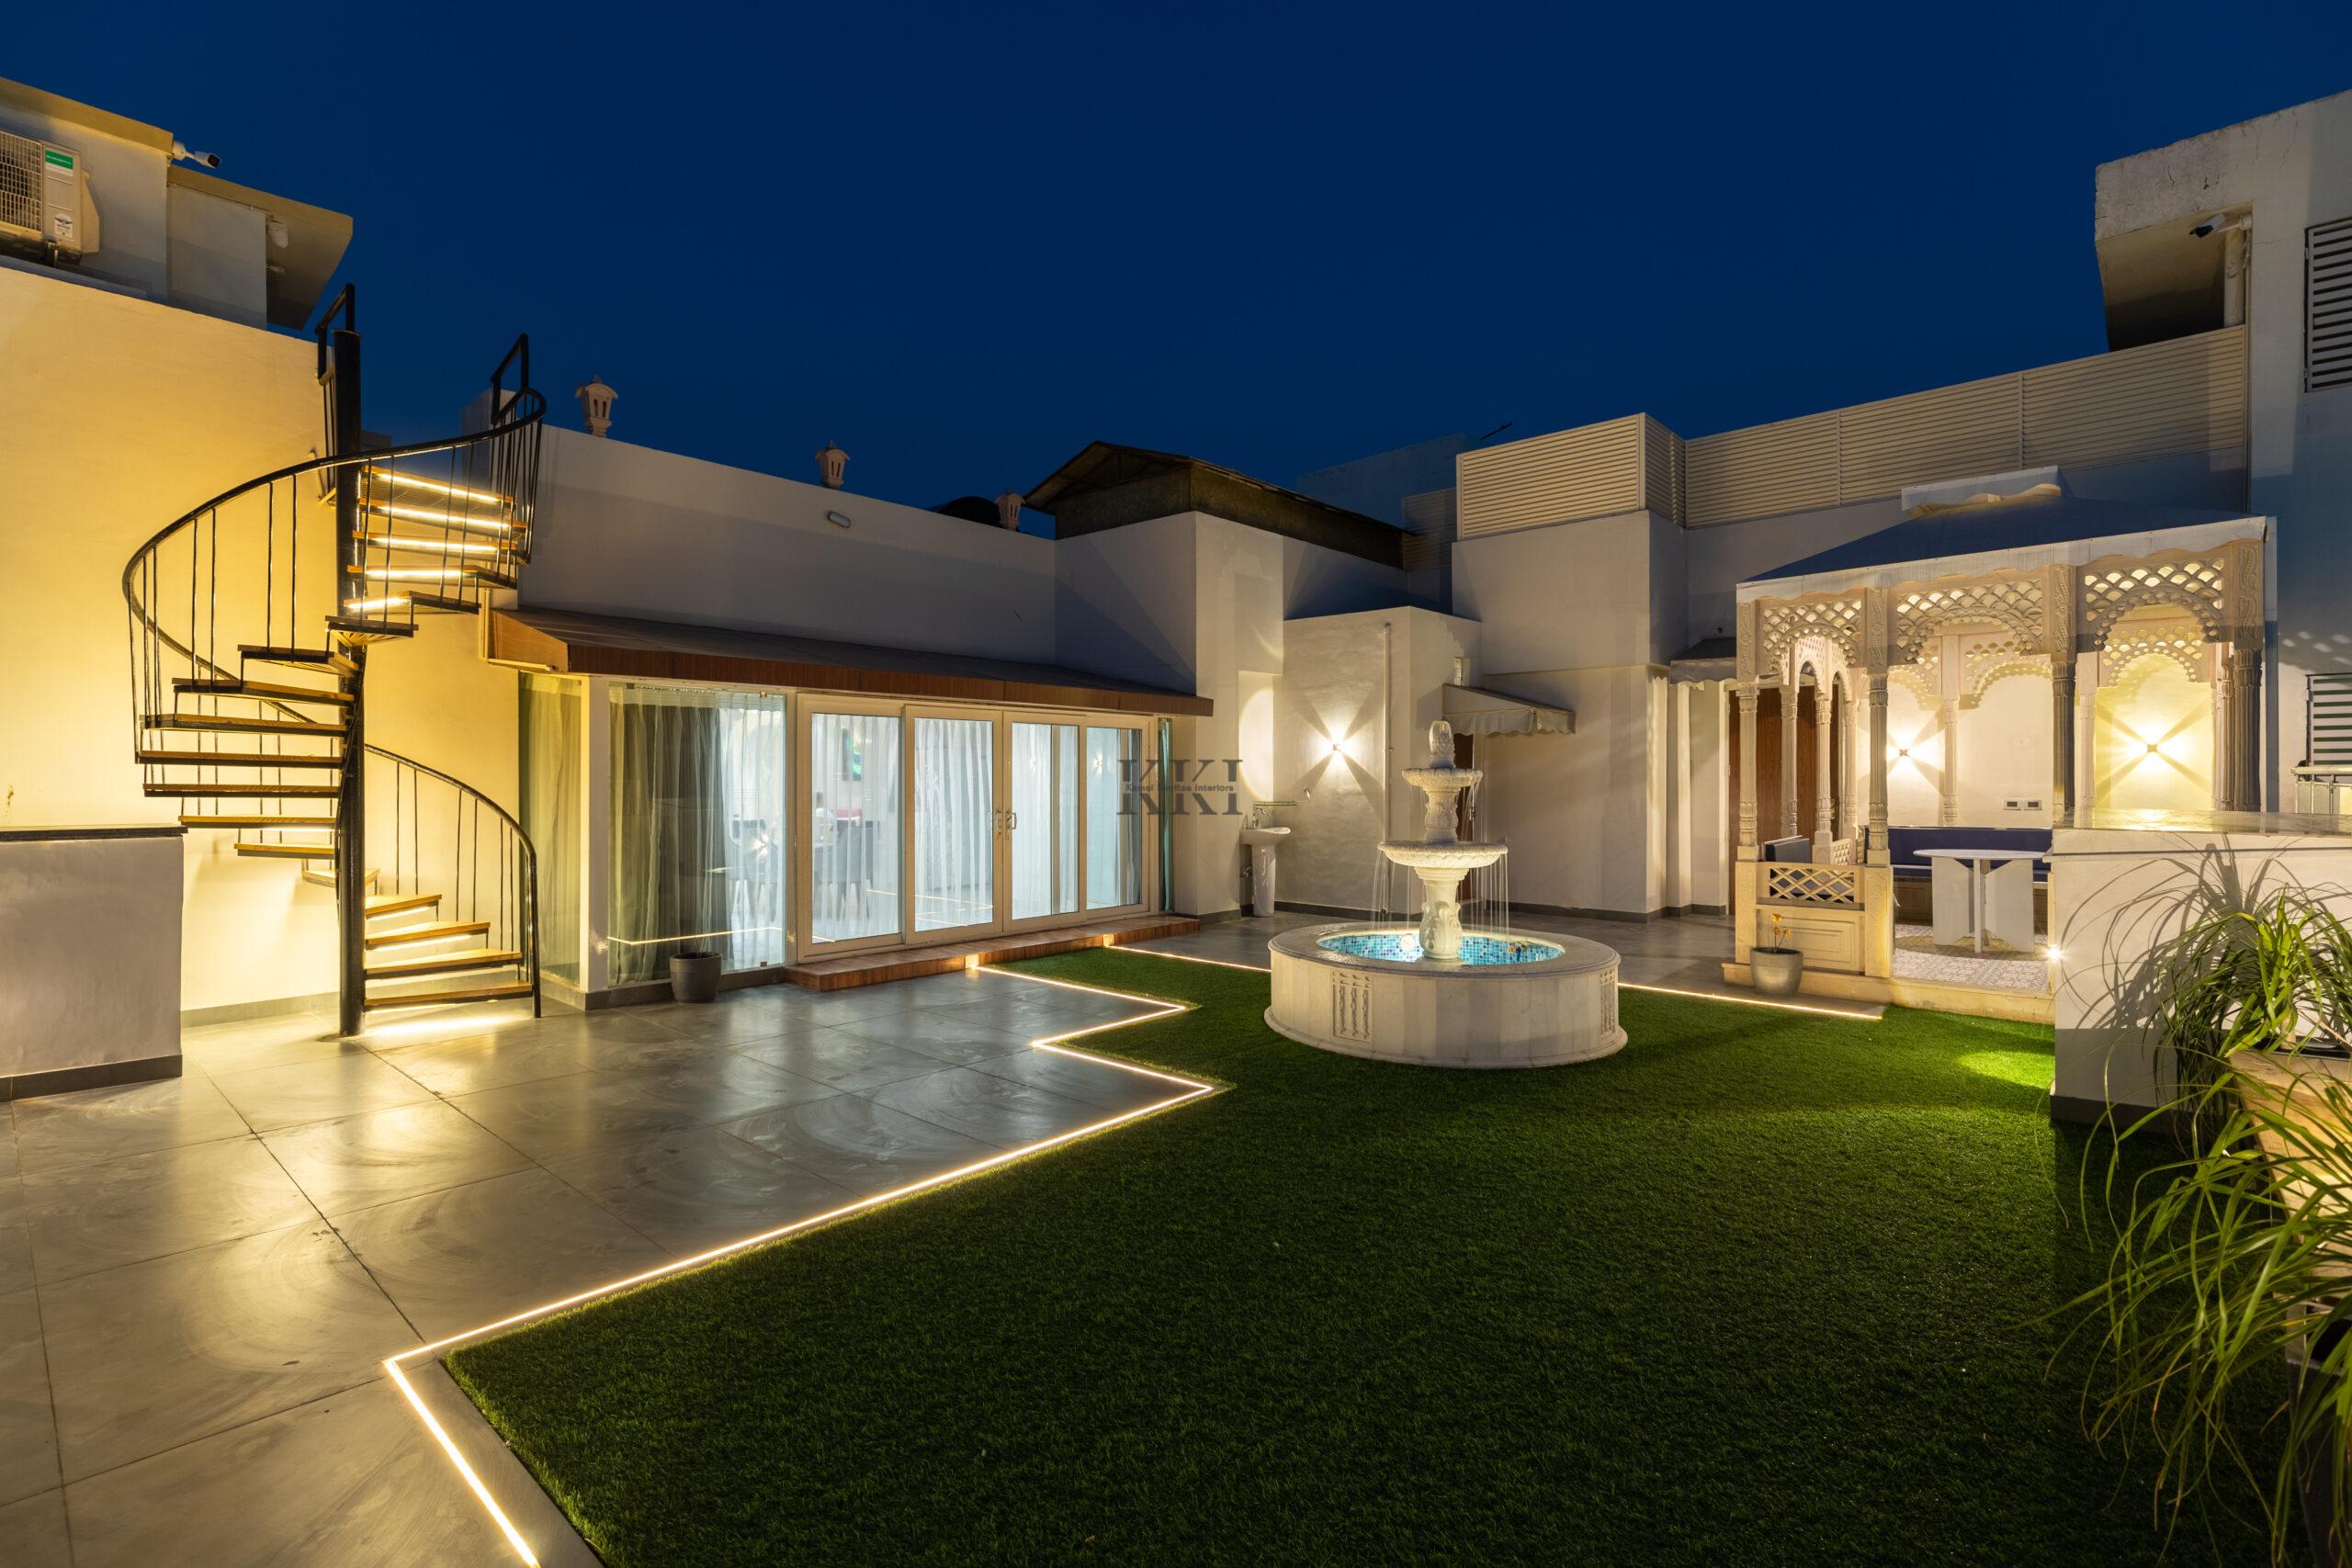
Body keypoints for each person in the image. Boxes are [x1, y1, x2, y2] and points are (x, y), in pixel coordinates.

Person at [811, 792, 837, 920]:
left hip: (820, 853)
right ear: (820, 800)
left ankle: (814, 904)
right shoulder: (823, 811)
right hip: (835, 861)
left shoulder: (814, 813)